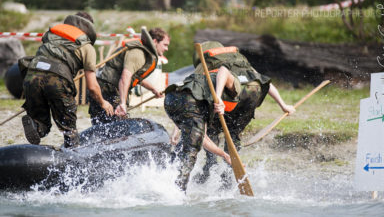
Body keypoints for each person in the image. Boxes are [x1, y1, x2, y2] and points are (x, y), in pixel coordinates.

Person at [172, 41, 295, 185]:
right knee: (233, 134)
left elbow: (191, 98)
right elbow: (264, 82)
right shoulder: (239, 60)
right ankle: (228, 175)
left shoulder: (205, 65)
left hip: (230, 98)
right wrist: (283, 105)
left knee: (210, 131)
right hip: (250, 98)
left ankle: (210, 169)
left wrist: (177, 128)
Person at [164, 42, 251, 192]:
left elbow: (202, 137)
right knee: (190, 151)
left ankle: (166, 180)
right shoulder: (235, 88)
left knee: (193, 144)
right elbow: (224, 71)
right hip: (186, 101)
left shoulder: (202, 91)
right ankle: (178, 193)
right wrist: (218, 98)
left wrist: (224, 155)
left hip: (171, 100)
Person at [21, 12, 114, 148]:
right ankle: (73, 158)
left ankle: (35, 125)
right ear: (89, 29)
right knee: (69, 129)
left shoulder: (51, 35)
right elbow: (93, 87)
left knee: (41, 124)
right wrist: (103, 102)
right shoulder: (87, 47)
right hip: (57, 81)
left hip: (31, 76)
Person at [88, 27, 169, 125]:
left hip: (105, 84)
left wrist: (153, 89)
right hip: (109, 88)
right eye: (165, 45)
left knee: (103, 124)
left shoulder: (144, 52)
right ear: (155, 41)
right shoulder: (138, 53)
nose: (166, 48)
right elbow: (125, 77)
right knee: (116, 125)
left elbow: (134, 77)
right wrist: (122, 103)